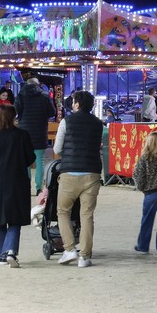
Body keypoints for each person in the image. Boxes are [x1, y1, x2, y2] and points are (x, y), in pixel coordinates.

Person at [0, 104, 35, 268]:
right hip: (17, 181)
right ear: (13, 117)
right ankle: (10, 250)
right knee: (15, 218)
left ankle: (2, 255)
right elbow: (30, 158)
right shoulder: (22, 135)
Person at [53, 90, 104, 268]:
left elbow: (57, 149)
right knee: (87, 215)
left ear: (76, 104)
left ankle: (69, 249)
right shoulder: (98, 124)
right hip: (92, 174)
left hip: (69, 173)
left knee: (63, 212)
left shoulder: (66, 121)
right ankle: (85, 256)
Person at [15, 77, 57, 194]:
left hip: (24, 133)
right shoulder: (44, 95)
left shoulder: (20, 95)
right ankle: (39, 188)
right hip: (40, 132)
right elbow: (52, 112)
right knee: (40, 161)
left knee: (26, 162)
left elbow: (15, 111)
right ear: (38, 85)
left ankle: (25, 187)